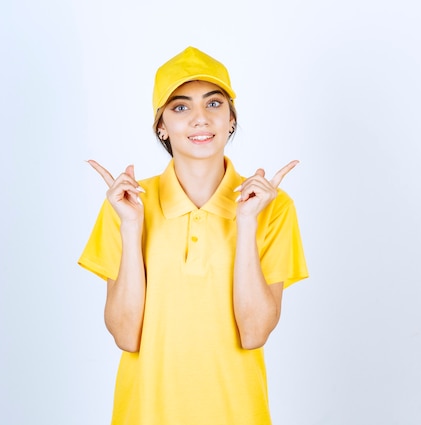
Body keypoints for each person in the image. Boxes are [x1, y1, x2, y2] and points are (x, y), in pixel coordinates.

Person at [78, 46, 308, 425]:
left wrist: (247, 221)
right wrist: (132, 226)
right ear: (162, 126)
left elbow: (254, 333)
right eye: (181, 107)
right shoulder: (127, 205)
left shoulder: (273, 207)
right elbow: (125, 335)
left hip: (238, 413)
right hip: (145, 413)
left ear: (231, 119)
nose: (200, 119)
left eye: (214, 104)